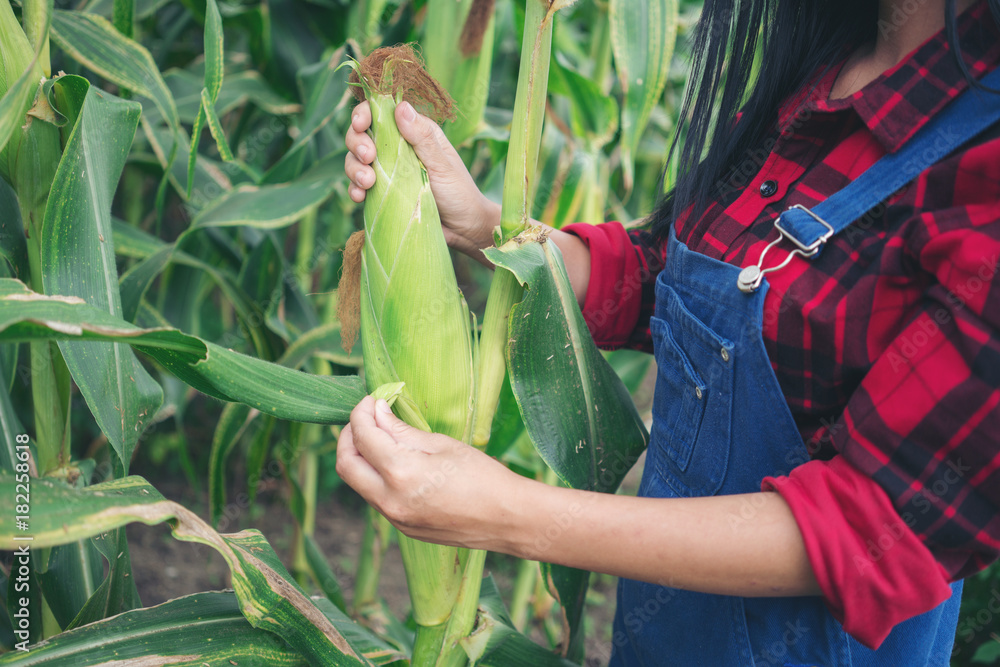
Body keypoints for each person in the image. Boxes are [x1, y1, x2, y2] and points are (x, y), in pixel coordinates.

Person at [338, 0, 1000, 663]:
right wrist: (486, 228)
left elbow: (872, 530)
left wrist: (504, 511)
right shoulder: (826, 73)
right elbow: (671, 279)